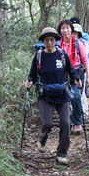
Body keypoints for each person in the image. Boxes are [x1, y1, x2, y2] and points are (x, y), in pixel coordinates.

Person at [25, 27, 82, 165]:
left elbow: (71, 70)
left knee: (65, 123)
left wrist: (76, 79)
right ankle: (42, 140)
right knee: (47, 123)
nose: (49, 43)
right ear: (43, 41)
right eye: (46, 40)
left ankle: (62, 154)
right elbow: (32, 74)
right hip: (45, 94)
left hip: (62, 94)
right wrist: (29, 82)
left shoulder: (62, 54)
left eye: (51, 40)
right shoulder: (39, 56)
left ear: (55, 41)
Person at [57, 20, 89, 133]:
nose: (65, 30)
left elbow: (85, 60)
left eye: (67, 28)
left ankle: (77, 122)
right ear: (60, 31)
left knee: (76, 97)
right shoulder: (58, 45)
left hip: (76, 75)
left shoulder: (77, 43)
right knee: (64, 99)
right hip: (62, 76)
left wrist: (88, 77)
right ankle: (66, 121)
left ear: (71, 30)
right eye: (63, 28)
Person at [70, 17, 89, 106]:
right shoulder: (64, 42)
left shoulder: (83, 41)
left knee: (81, 91)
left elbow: (86, 55)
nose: (73, 34)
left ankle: (82, 111)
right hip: (70, 71)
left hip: (81, 69)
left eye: (75, 32)